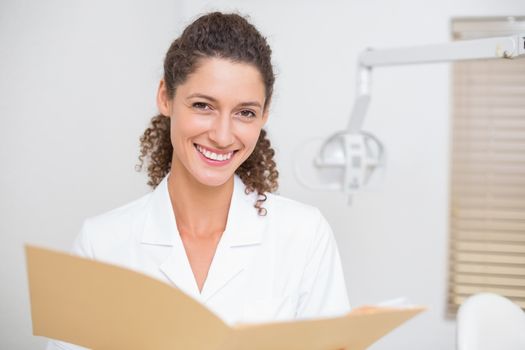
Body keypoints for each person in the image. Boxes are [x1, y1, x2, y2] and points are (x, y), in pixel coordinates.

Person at [46, 12, 349, 350]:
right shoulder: (101, 244)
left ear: (264, 114)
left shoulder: (304, 234)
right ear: (166, 97)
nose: (222, 135)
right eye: (203, 105)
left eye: (245, 112)